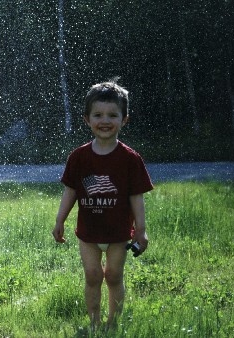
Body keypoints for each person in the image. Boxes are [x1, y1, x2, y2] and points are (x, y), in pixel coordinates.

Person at [52, 81, 153, 331]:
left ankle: (113, 322)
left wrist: (141, 229)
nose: (105, 121)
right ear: (87, 119)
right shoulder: (79, 157)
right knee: (93, 276)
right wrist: (60, 220)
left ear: (124, 119)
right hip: (89, 233)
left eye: (112, 115)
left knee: (114, 276)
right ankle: (95, 323)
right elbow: (70, 192)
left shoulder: (130, 159)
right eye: (98, 115)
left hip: (119, 234)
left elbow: (136, 197)